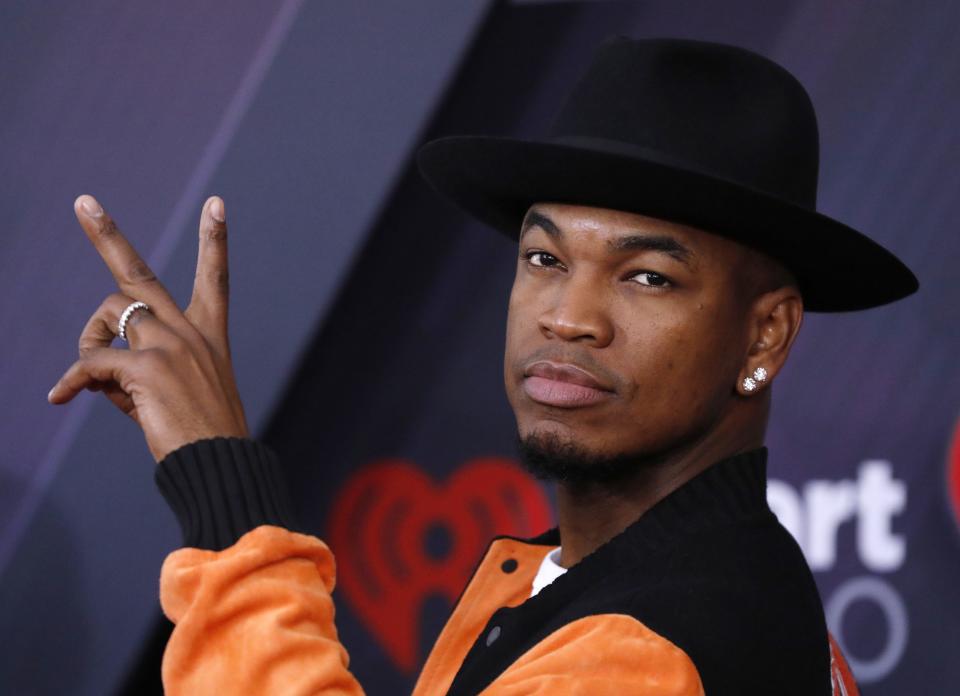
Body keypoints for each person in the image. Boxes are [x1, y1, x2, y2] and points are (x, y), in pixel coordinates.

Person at [48, 37, 916, 694]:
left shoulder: (653, 650)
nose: (570, 317)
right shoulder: (629, 579)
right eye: (544, 259)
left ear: (765, 335)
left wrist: (224, 494)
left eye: (649, 277)